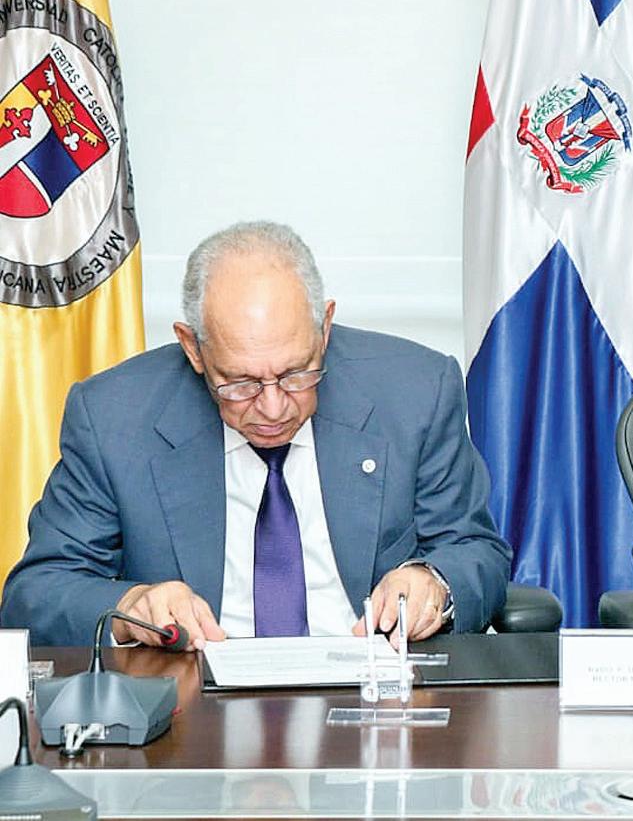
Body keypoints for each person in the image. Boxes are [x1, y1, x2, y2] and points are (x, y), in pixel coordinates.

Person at [1, 222, 512, 648]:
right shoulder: (114, 416)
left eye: (296, 374)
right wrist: (131, 606)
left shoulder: (416, 392)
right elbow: (36, 592)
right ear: (193, 349)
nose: (272, 407)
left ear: (325, 329)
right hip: (195, 704)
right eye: (240, 383)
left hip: (373, 697)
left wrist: (433, 583)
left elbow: (475, 549)